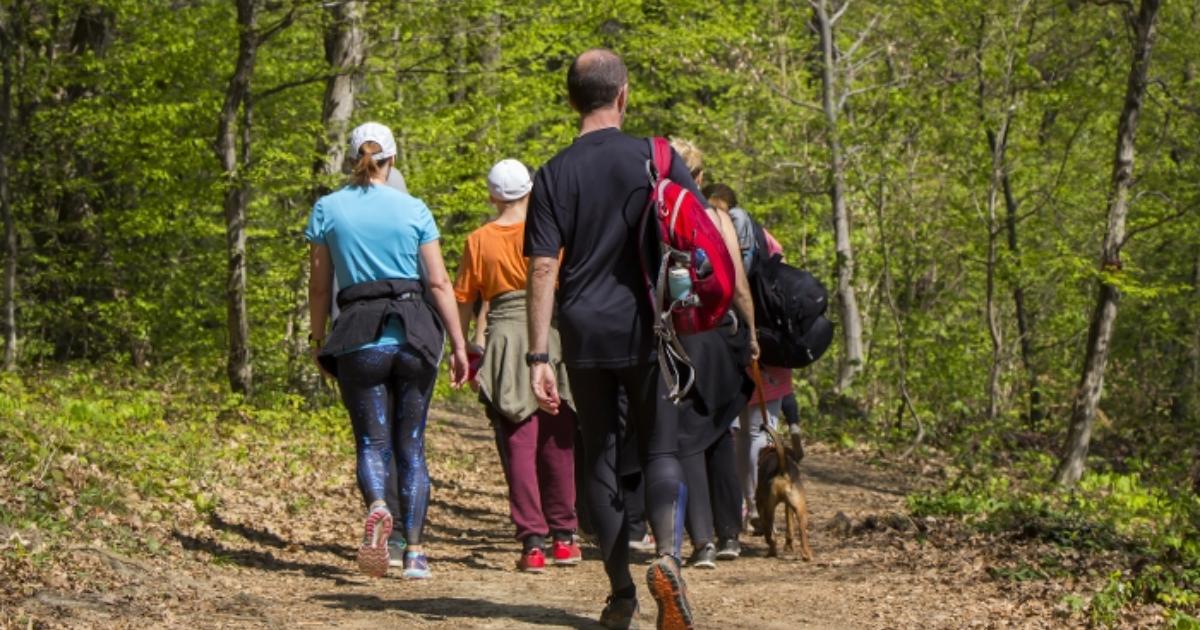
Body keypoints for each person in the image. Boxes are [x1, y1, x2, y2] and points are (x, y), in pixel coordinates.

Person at [524, 48, 700, 630]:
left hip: (583, 330)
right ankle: (669, 560)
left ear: (571, 100)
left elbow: (544, 268)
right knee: (661, 450)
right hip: (649, 325)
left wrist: (538, 355)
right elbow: (697, 239)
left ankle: (622, 592)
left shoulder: (551, 173)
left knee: (597, 450)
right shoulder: (657, 157)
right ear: (622, 94)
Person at [306, 121, 469, 580]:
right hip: (415, 332)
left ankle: (379, 506)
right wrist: (458, 344)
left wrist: (318, 341)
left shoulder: (327, 209)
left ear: (353, 158)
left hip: (359, 334)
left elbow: (320, 287)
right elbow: (438, 282)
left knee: (371, 443)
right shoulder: (414, 208)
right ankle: (416, 554)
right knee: (412, 446)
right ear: (392, 159)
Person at [453, 158, 581, 573]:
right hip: (551, 335)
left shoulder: (478, 240)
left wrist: (462, 350)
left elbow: (464, 300)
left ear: (492, 195)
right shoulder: (550, 232)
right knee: (558, 441)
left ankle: (532, 543)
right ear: (531, 190)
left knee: (518, 445)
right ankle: (565, 537)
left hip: (506, 339)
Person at [668, 139, 757, 568]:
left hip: (676, 335)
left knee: (687, 436)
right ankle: (729, 536)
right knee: (720, 429)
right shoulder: (716, 217)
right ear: (700, 177)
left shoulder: (656, 212)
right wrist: (753, 333)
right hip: (720, 331)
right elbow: (738, 283)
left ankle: (700, 540)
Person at [703, 184, 797, 532]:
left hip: (731, 336)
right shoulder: (768, 241)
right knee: (761, 429)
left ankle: (746, 505)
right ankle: (757, 505)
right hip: (770, 342)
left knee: (738, 430)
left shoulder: (711, 235)